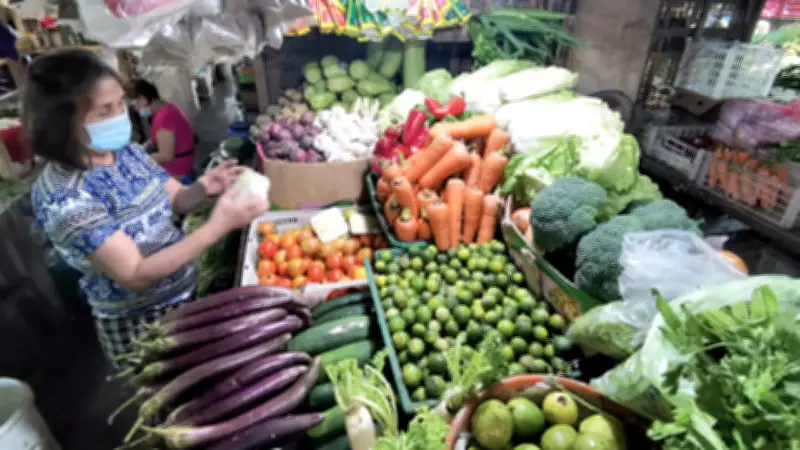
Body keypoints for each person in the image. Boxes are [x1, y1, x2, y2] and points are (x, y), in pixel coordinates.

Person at [25, 50, 268, 368]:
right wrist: (217, 227)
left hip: (189, 297)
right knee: (174, 396)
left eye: (120, 104)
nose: (119, 116)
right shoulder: (65, 197)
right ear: (61, 122)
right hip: (142, 326)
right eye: (104, 110)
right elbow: (136, 275)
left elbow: (176, 198)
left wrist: (204, 188)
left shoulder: (126, 152)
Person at [132, 79, 197, 184]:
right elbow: (161, 138)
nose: (135, 109)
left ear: (143, 100)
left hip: (179, 176)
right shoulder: (168, 108)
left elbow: (166, 156)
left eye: (134, 104)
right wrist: (145, 146)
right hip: (185, 168)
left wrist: (142, 159)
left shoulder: (164, 119)